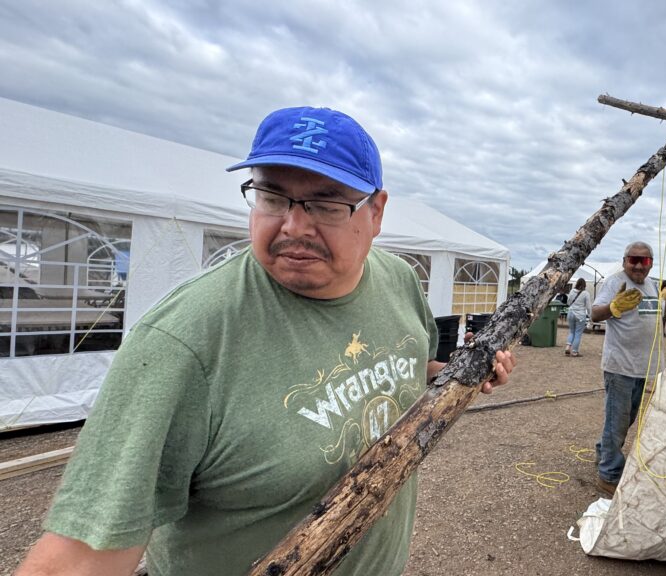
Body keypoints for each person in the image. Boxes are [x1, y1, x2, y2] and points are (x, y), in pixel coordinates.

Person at [16, 106, 515, 576]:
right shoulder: (183, 342)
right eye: (273, 198)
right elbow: (81, 556)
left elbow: (414, 359)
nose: (294, 226)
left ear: (376, 212)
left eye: (324, 204)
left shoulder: (397, 279)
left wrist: (463, 374)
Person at [590, 242, 666, 495]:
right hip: (620, 366)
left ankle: (603, 451)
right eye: (633, 259)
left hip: (643, 368)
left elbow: (659, 310)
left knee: (626, 419)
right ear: (624, 261)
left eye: (643, 261)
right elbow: (594, 314)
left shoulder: (652, 285)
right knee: (617, 420)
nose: (637, 265)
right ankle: (608, 475)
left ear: (651, 264)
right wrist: (612, 308)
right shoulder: (614, 282)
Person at [563, 278, 591, 357]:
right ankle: (575, 352)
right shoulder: (586, 293)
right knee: (578, 333)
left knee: (572, 331)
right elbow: (588, 307)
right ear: (584, 285)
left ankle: (568, 347)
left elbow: (568, 302)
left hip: (571, 313)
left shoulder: (572, 291)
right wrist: (590, 316)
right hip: (580, 315)